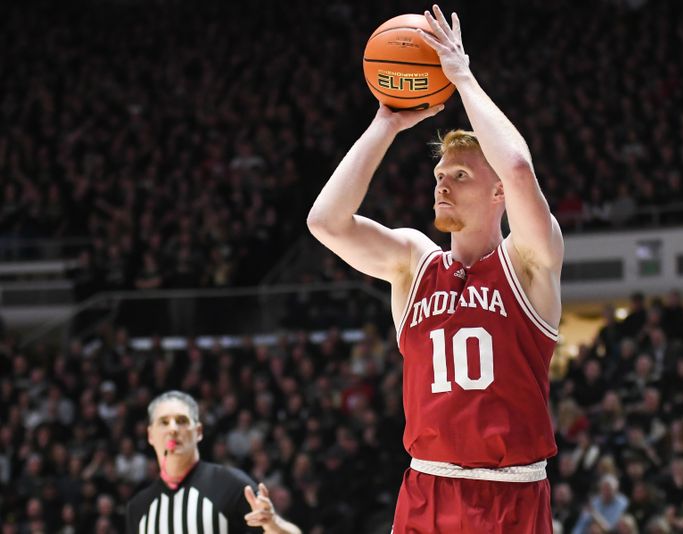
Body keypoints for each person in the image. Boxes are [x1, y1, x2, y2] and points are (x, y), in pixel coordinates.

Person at [307, 5, 563, 532]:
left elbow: (516, 166)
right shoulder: (413, 262)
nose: (441, 184)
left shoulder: (528, 262)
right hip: (425, 489)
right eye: (440, 173)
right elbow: (325, 222)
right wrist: (385, 124)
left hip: (510, 494)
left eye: (461, 174)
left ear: (497, 194)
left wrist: (461, 75)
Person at [125, 390, 300, 534]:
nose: (173, 429)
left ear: (199, 431)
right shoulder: (138, 507)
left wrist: (273, 524)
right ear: (150, 435)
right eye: (164, 422)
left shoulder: (232, 484)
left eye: (181, 421)